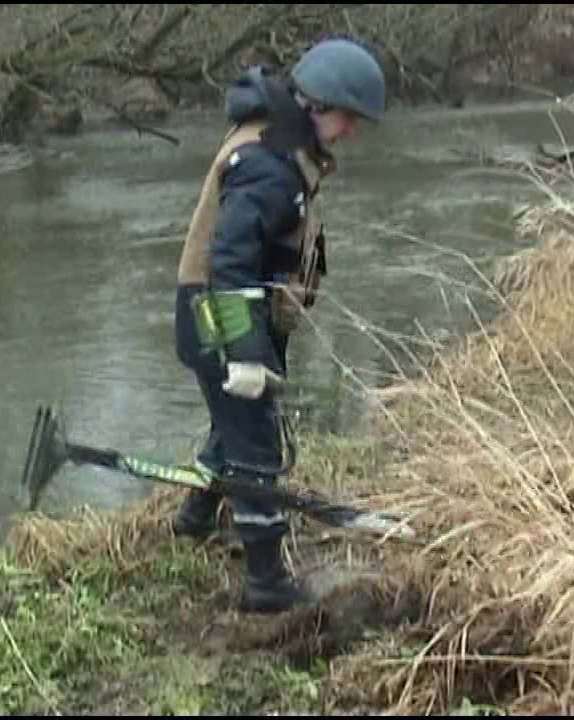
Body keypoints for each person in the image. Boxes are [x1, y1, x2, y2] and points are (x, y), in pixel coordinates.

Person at [169, 38, 387, 614]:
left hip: (229, 309)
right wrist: (244, 350)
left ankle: (194, 517)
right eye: (348, 118)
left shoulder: (284, 142)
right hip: (219, 311)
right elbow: (230, 263)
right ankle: (266, 581)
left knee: (234, 422)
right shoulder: (269, 163)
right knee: (256, 438)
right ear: (316, 105)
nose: (351, 132)